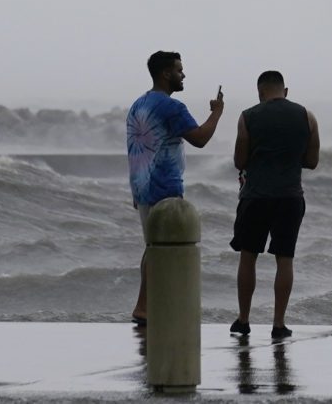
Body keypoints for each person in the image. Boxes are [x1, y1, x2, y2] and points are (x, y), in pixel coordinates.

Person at [126, 50, 224, 326]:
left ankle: (144, 306)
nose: (183, 75)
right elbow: (200, 139)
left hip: (142, 187)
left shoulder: (139, 104)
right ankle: (153, 306)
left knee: (152, 248)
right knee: (165, 250)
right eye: (180, 70)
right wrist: (216, 114)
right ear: (166, 73)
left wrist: (136, 189)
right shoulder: (172, 107)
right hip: (164, 187)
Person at [229, 70, 320, 338]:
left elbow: (239, 160)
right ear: (285, 91)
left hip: (255, 196)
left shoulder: (248, 116)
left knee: (248, 257)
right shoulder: (307, 116)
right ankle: (278, 324)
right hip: (290, 196)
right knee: (285, 259)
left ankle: (243, 320)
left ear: (260, 92)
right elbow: (312, 162)